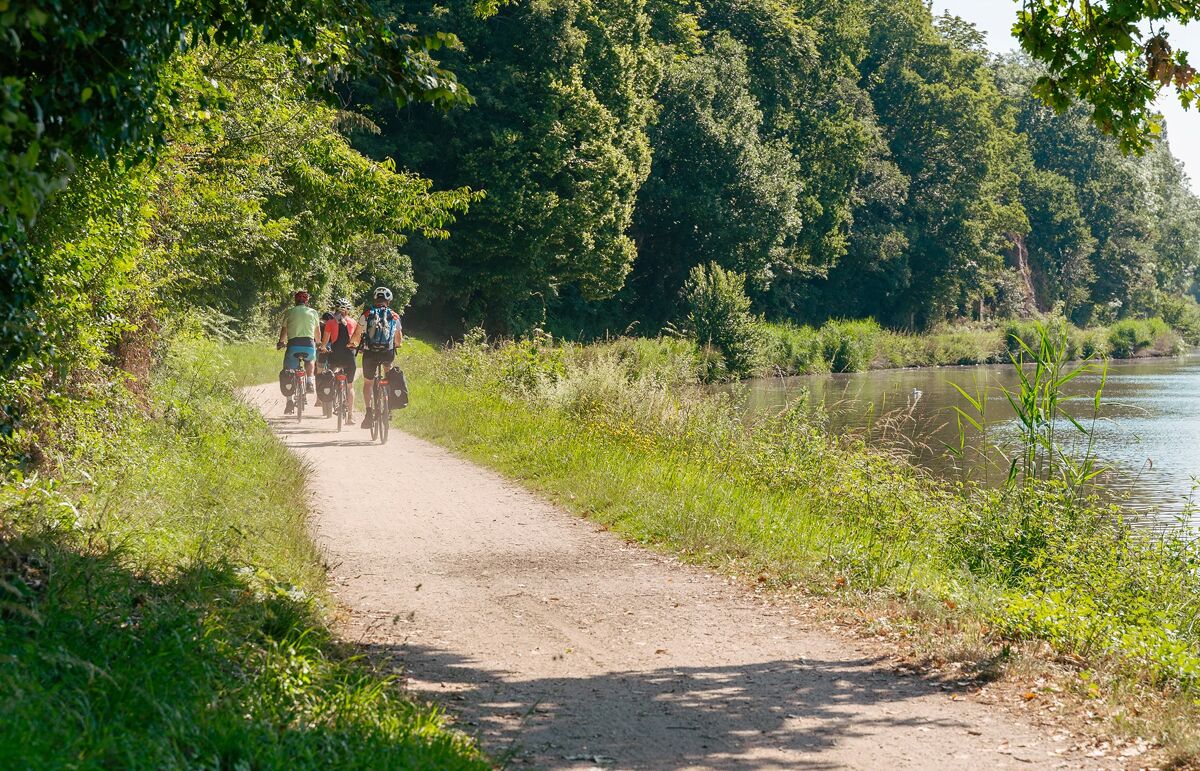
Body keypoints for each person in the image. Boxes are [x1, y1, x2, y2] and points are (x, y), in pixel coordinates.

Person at [351, 286, 403, 429]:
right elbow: (398, 340)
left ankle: (369, 413)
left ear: (375, 299)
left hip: (370, 353)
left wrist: (352, 344)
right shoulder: (394, 316)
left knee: (368, 383)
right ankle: (389, 406)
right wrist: (397, 345)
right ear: (389, 301)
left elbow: (356, 334)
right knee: (389, 375)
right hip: (387, 353)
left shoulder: (367, 314)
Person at [277, 290, 321, 415]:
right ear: (307, 302)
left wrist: (281, 342)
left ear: (295, 301)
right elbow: (317, 332)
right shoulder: (313, 312)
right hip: (308, 344)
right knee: (310, 359)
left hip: (293, 345)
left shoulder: (290, 312)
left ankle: (289, 402)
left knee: (288, 370)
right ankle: (309, 382)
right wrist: (318, 343)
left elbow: (284, 330)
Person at [319, 298, 360, 424]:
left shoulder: (330, 323)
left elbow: (325, 343)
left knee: (330, 375)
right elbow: (357, 342)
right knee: (350, 386)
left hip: (335, 357)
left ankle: (330, 397)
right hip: (349, 358)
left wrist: (323, 348)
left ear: (335, 309)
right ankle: (350, 416)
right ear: (348, 311)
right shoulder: (354, 322)